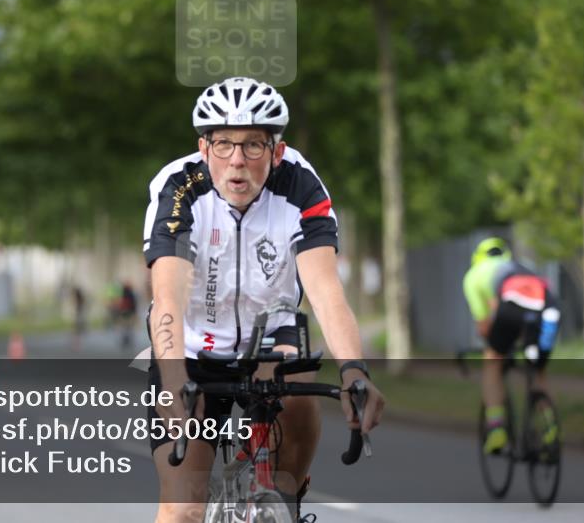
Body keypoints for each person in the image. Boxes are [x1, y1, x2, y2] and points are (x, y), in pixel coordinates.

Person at [143, 77, 385, 523]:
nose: (237, 161)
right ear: (203, 147)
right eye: (224, 145)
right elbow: (168, 298)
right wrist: (174, 379)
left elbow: (327, 293)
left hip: (270, 335)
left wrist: (354, 369)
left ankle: (284, 498)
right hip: (193, 344)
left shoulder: (302, 187)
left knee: (297, 389)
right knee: (182, 510)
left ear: (276, 151)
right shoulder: (177, 189)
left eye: (254, 145)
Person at [462, 237, 561, 454]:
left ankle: (496, 429)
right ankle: (549, 426)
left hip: (511, 306)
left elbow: (485, 326)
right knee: (537, 368)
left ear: (477, 258)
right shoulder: (521, 267)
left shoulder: (473, 276)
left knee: (492, 362)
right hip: (548, 305)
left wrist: (499, 346)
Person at [71, 285, 87, 352]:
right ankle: (76, 345)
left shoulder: (79, 300)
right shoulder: (80, 300)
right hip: (79, 316)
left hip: (79, 316)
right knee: (77, 331)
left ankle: (76, 344)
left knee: (77, 331)